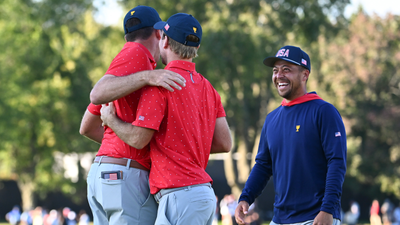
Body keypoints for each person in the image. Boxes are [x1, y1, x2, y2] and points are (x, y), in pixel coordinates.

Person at [100, 13, 232, 225]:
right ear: (195, 49)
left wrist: (111, 120)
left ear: (166, 41)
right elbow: (225, 143)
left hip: (180, 195)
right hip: (203, 196)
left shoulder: (160, 85)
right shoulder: (209, 88)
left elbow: (138, 139)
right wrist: (186, 145)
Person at [79, 6, 186, 225]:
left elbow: (87, 126)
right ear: (158, 33)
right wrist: (148, 76)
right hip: (125, 176)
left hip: (106, 171)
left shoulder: (125, 67)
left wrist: (117, 130)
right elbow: (97, 94)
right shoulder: (137, 54)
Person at [234, 45, 347, 225]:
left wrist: (327, 210)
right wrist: (246, 197)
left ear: (305, 75)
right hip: (279, 219)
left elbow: (337, 162)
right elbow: (263, 165)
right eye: (276, 70)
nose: (279, 76)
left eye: (287, 70)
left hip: (316, 218)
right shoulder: (271, 119)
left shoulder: (324, 111)